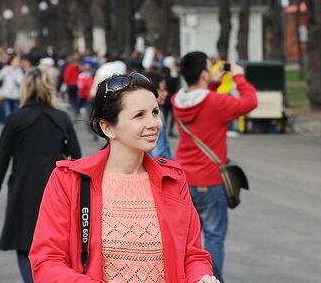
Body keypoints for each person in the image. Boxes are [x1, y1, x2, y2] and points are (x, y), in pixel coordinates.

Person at [29, 73, 218, 283]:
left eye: (155, 112)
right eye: (139, 115)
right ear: (107, 127)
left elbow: (193, 255)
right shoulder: (69, 180)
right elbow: (46, 262)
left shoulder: (173, 179)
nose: (153, 123)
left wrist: (200, 277)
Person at [0, 69, 82, 283]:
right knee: (56, 246)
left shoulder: (16, 118)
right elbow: (77, 158)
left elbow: (2, 158)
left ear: (25, 88)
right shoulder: (62, 118)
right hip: (57, 191)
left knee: (24, 244)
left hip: (23, 188)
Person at [172, 52, 258, 281]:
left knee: (189, 240)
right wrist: (239, 77)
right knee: (214, 238)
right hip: (209, 181)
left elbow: (202, 102)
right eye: (210, 67)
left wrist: (214, 82)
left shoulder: (177, 100)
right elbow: (250, 102)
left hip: (183, 180)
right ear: (202, 73)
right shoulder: (215, 102)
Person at [145, 71, 173, 159]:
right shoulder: (157, 115)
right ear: (151, 92)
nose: (166, 93)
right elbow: (159, 152)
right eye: (161, 90)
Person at [0, 55, 24, 120]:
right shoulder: (5, 69)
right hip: (6, 96)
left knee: (16, 115)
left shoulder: (19, 70)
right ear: (11, 61)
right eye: (16, 60)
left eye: (18, 61)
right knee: (7, 114)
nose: (17, 62)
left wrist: (13, 74)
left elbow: (21, 83)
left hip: (16, 96)